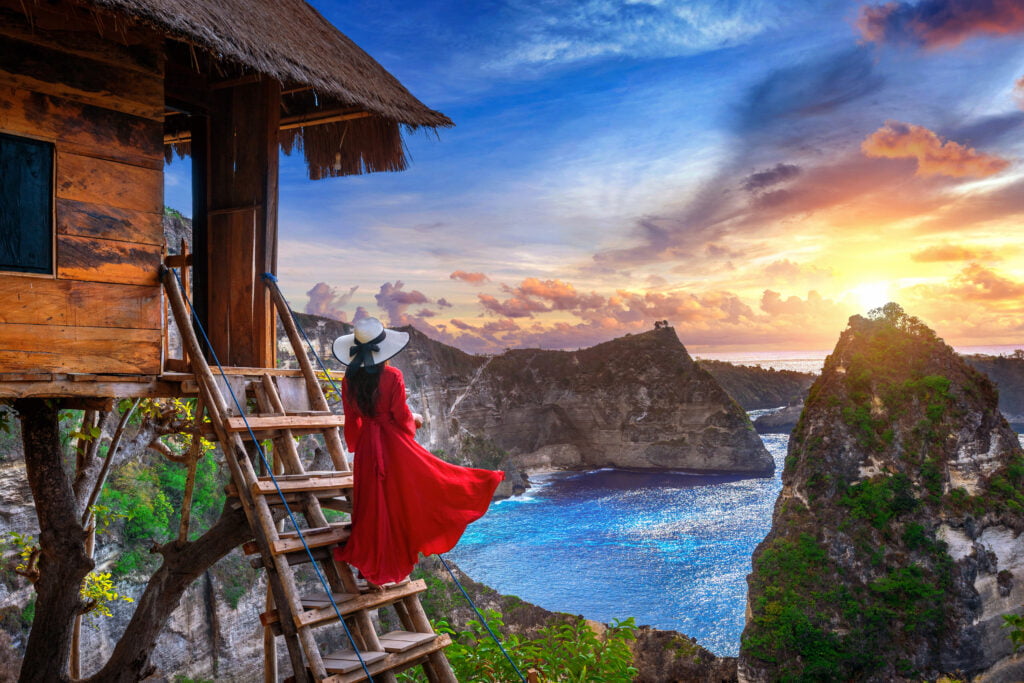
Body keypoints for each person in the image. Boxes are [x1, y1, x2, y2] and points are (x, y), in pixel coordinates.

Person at [331, 317, 504, 586]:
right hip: (392, 444)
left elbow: (351, 420)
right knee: (420, 488)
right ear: (383, 350)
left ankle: (369, 567)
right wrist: (415, 422)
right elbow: (401, 417)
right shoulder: (392, 376)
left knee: (372, 504)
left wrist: (356, 446)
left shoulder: (348, 379)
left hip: (367, 446)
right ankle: (482, 482)